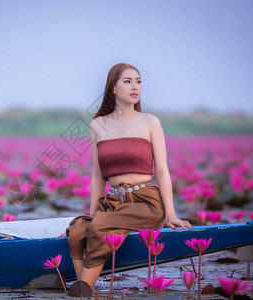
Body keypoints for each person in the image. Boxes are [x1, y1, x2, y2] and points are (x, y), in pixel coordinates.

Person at [64, 63, 193, 297]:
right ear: (113, 88)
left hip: (145, 203)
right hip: (112, 203)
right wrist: (92, 212)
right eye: (127, 81)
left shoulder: (150, 122)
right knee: (77, 230)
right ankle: (84, 288)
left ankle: (82, 291)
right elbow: (97, 175)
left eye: (138, 81)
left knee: (100, 226)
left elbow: (162, 171)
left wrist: (171, 214)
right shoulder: (98, 125)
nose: (135, 87)